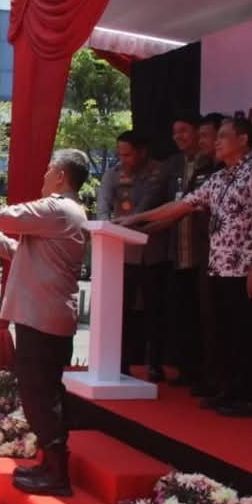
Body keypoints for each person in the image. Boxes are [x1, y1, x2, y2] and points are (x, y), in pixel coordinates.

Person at [115, 117, 252, 417]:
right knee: (220, 332)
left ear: (243, 140)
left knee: (244, 332)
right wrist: (136, 218)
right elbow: (181, 206)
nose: (216, 142)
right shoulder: (217, 178)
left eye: (224, 136)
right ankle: (228, 391)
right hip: (216, 267)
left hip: (244, 267)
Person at [0, 149, 90, 497]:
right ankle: (50, 465)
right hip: (44, 315)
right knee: (44, 394)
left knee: (39, 395)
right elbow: (25, 254)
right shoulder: (65, 213)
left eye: (49, 170)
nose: (43, 176)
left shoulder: (58, 208)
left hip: (43, 318)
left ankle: (57, 473)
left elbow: (0, 213)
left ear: (61, 175)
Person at [97, 131, 171, 382]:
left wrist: (130, 223)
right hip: (122, 254)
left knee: (156, 311)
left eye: (128, 153)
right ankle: (121, 362)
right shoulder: (112, 174)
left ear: (142, 151)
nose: (123, 158)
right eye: (120, 153)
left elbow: (147, 207)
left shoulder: (160, 172)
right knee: (122, 311)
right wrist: (105, 225)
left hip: (152, 251)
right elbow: (103, 205)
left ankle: (155, 364)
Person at [163, 113, 216, 389]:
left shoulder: (212, 166)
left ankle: (208, 376)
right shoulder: (173, 165)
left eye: (183, 131)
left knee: (204, 318)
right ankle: (187, 371)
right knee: (182, 316)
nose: (178, 137)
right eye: (174, 133)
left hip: (204, 254)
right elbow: (171, 205)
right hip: (178, 252)